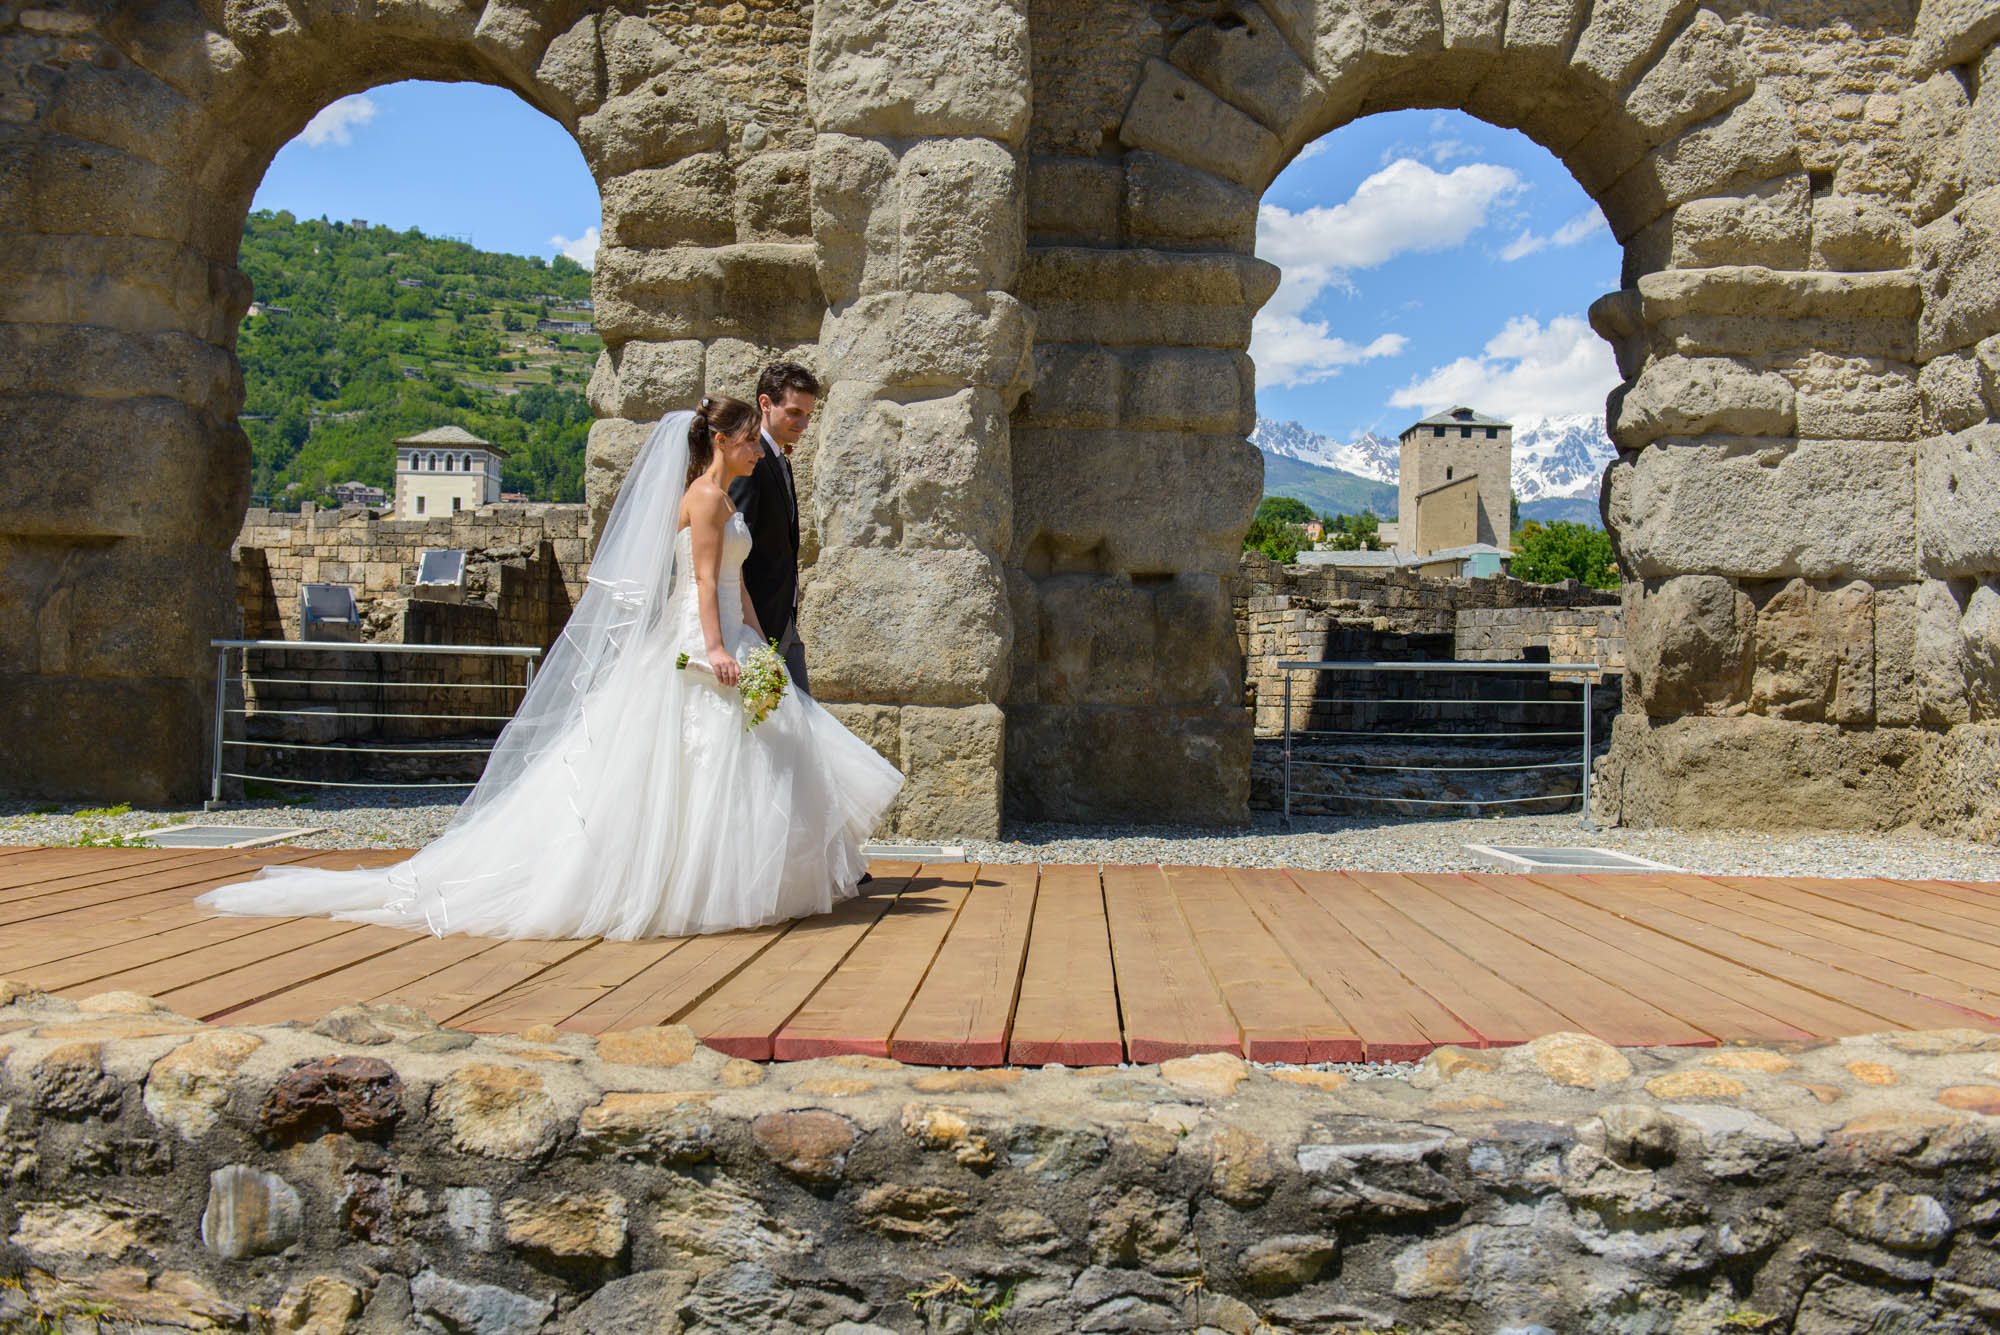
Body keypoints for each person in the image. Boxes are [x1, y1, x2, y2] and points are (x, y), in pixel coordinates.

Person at [195, 397, 903, 940]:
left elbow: (737, 580)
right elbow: (699, 580)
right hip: (700, 637)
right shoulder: (707, 498)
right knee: (701, 761)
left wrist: (755, 634)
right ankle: (692, 884)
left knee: (756, 758)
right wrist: (719, 648)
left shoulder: (722, 497)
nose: (757, 449)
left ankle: (740, 881)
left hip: (734, 633)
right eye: (749, 438)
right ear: (721, 440)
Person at [731, 361, 818, 694]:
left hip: (782, 619)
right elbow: (736, 546)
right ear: (765, 404)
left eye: (808, 415)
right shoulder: (749, 463)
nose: (804, 424)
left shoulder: (780, 460)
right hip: (757, 625)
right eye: (795, 412)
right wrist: (747, 630)